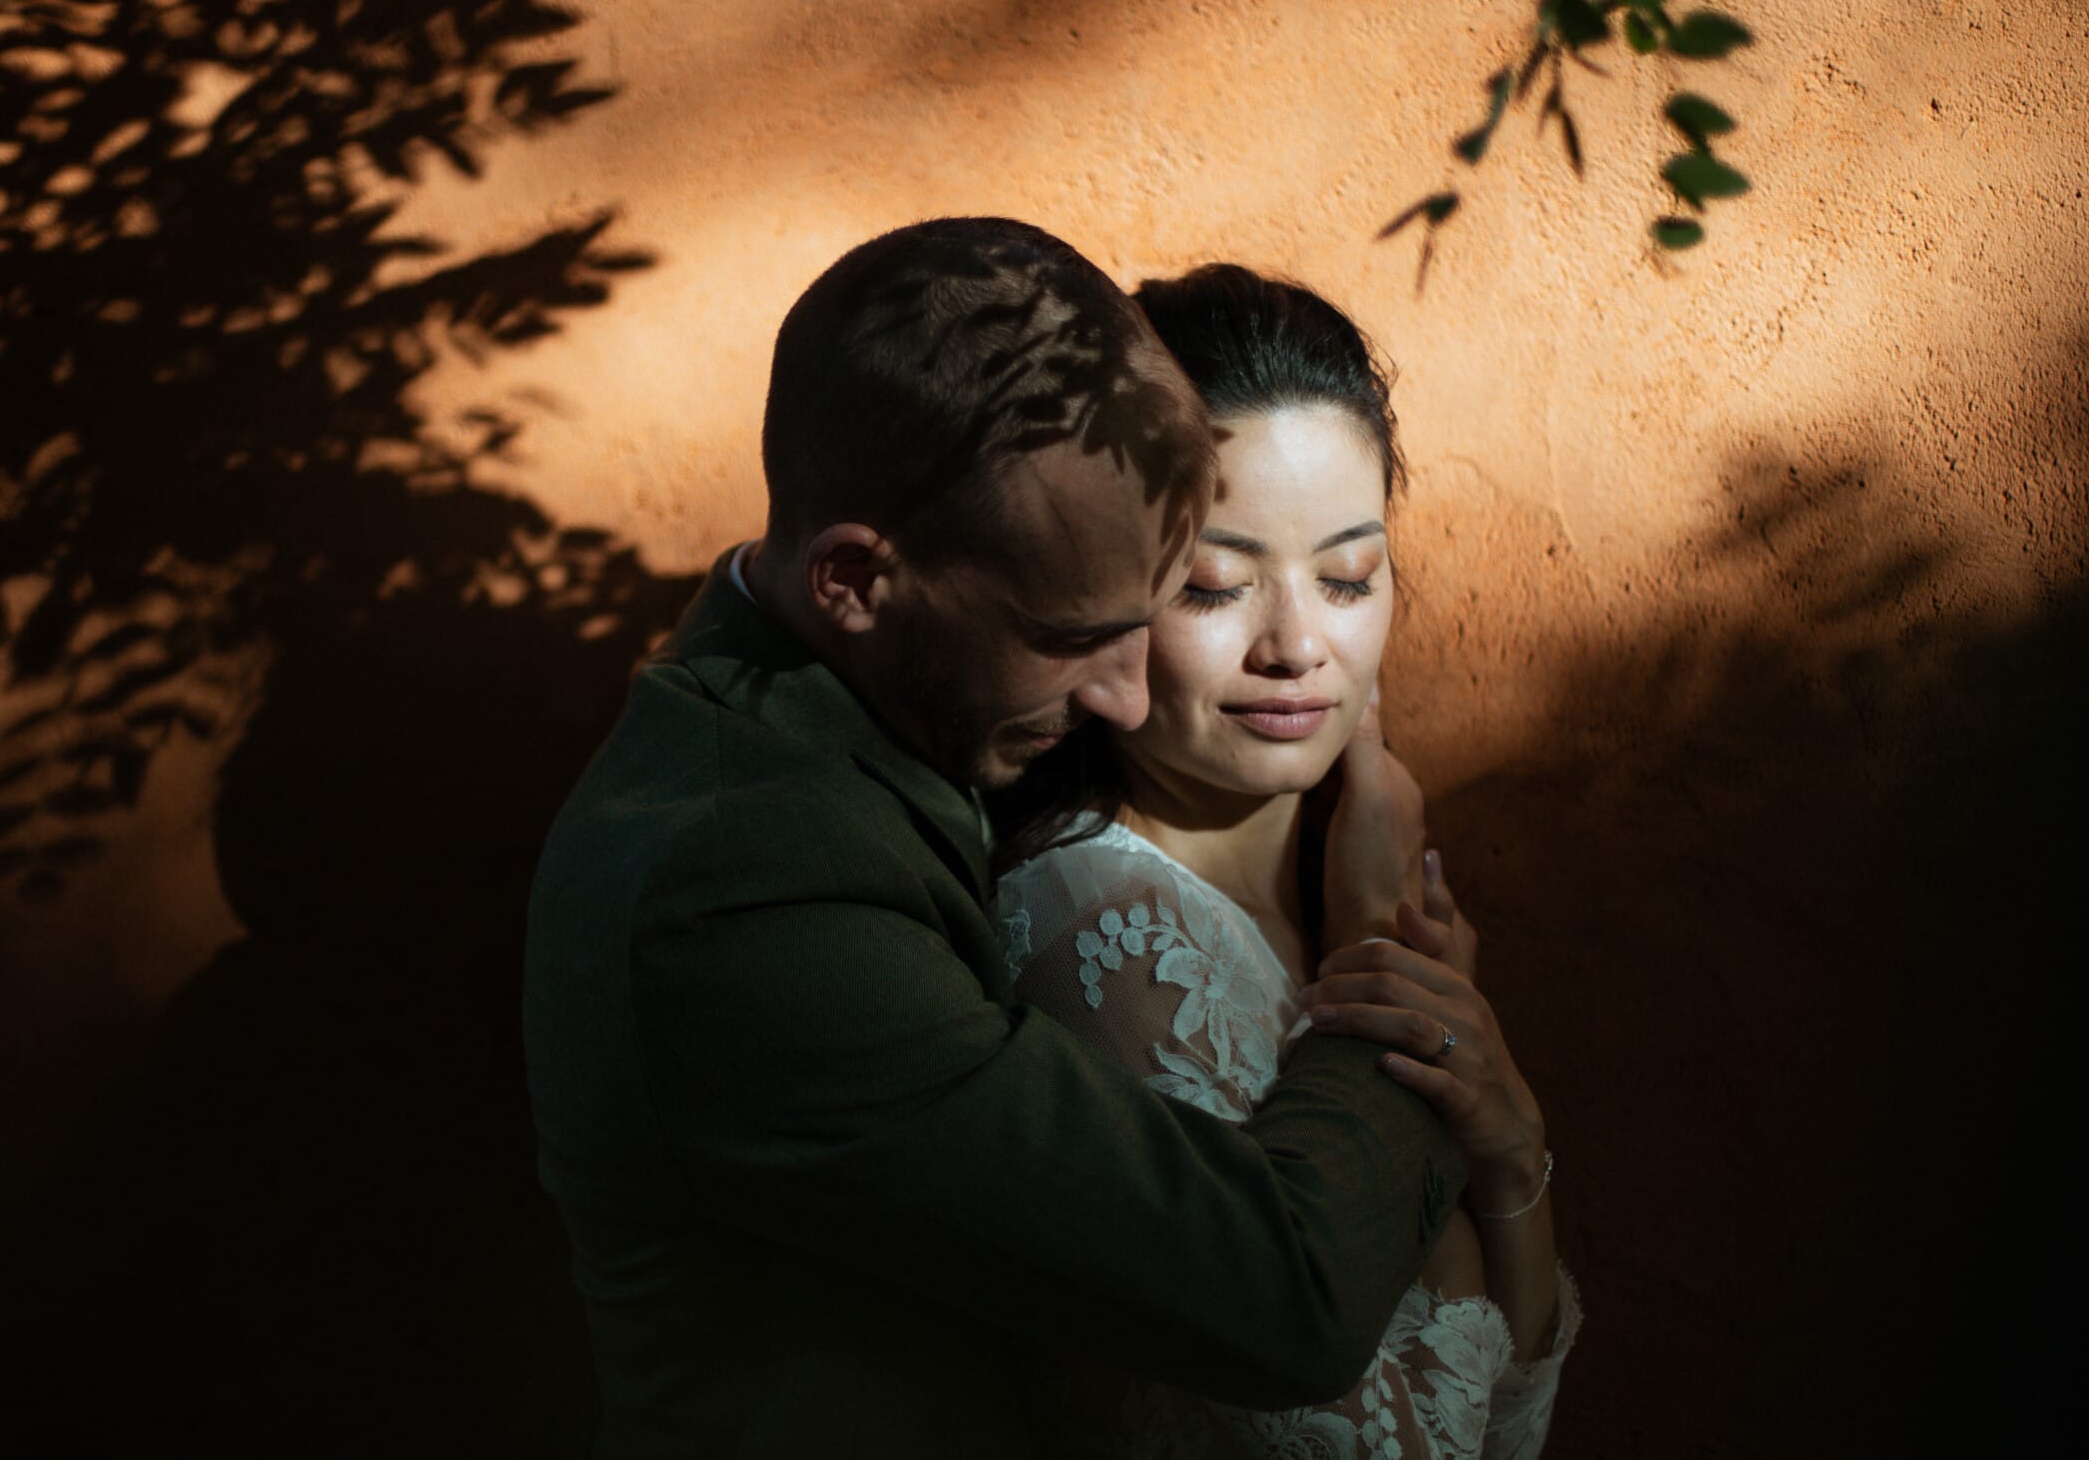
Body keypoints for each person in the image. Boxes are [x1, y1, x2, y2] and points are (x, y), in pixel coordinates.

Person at [523, 220, 1473, 1458]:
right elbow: (1279, 1303)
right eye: (1074, 636)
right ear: (856, 579)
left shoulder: (848, 733)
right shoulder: (741, 890)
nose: (1126, 699)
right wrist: (1375, 947)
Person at [990, 264, 1579, 1459]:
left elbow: (1510, 1434)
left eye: (1350, 576)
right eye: (1214, 584)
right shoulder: (1094, 936)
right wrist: (1370, 932)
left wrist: (1512, 1152)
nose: (1299, 644)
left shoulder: (1340, 891)